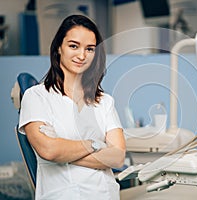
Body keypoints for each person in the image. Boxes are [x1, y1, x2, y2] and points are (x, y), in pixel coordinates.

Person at [18, 15, 126, 200]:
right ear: (59, 47)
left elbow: (117, 157)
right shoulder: (36, 96)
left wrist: (63, 152)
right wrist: (96, 145)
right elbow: (49, 151)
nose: (82, 55)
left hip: (106, 194)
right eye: (73, 46)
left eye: (90, 49)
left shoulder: (104, 101)